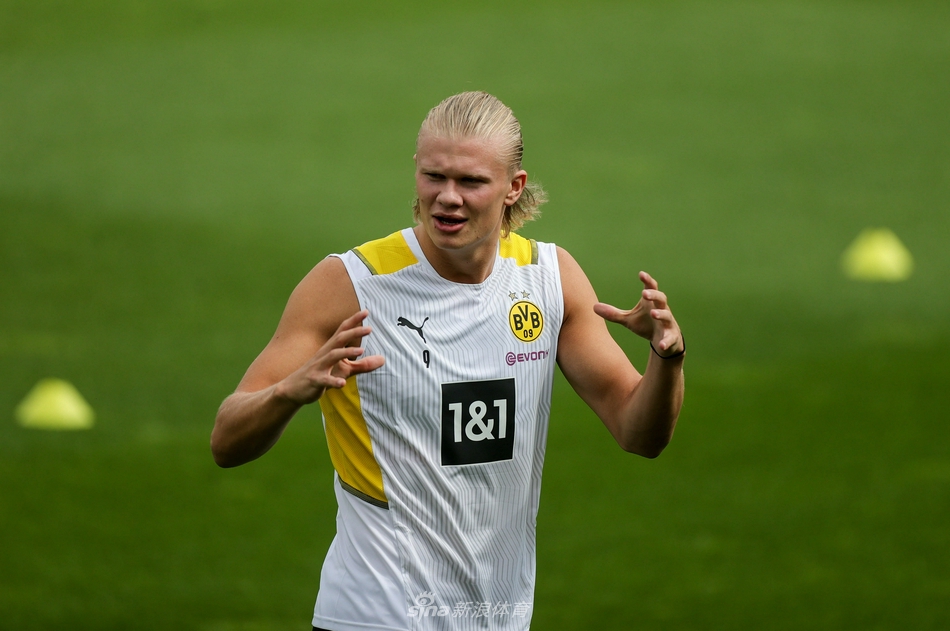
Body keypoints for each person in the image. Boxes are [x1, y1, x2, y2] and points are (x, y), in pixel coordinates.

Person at [211, 91, 685, 631]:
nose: (447, 198)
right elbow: (226, 440)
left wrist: (666, 357)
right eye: (433, 176)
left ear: (514, 187)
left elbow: (639, 433)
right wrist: (287, 392)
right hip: (375, 615)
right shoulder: (350, 284)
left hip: (498, 617)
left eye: (471, 181)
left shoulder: (548, 279)